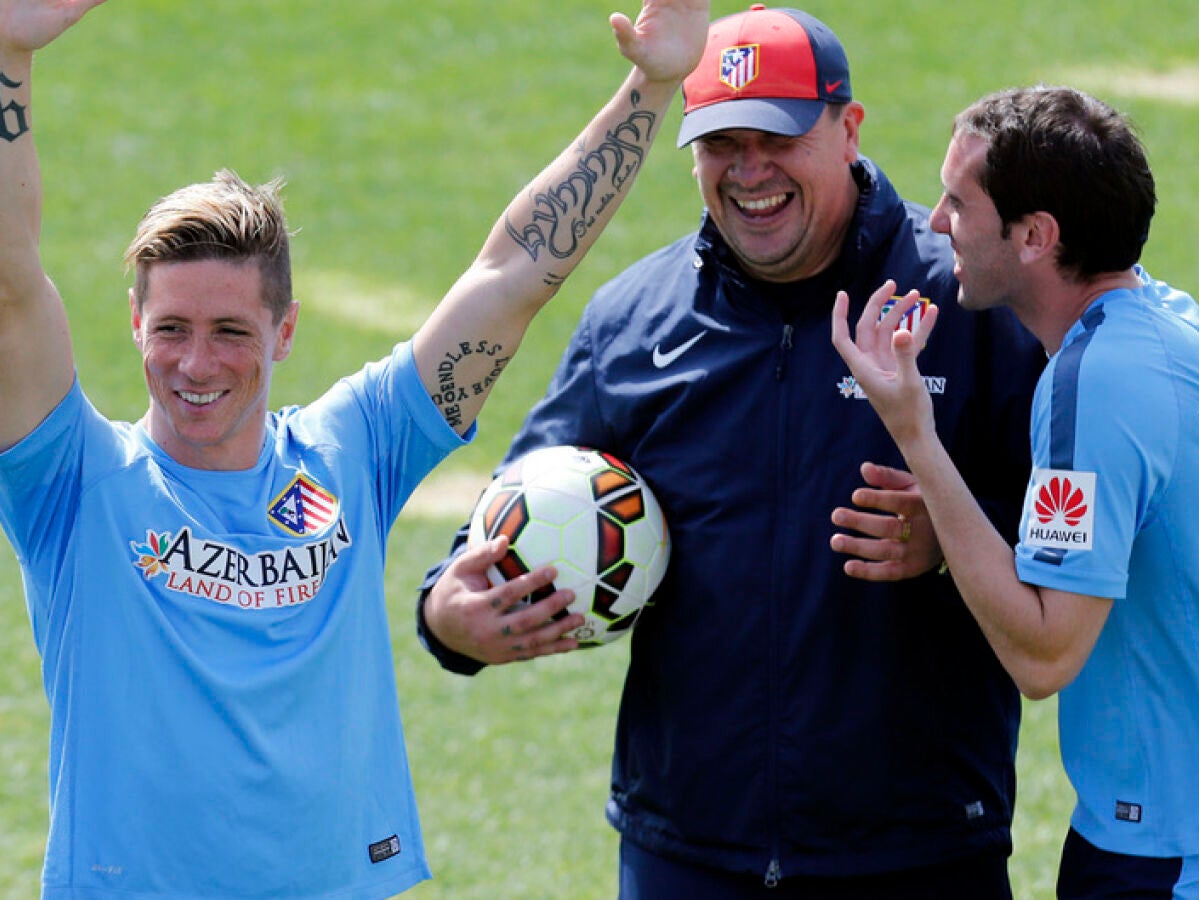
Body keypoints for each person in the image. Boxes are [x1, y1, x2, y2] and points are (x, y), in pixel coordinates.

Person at [0, 0, 710, 896]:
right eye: (171, 329)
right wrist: (3, 56)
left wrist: (652, 85)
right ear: (134, 324)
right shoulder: (71, 480)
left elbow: (513, 275)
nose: (197, 364)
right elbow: (3, 293)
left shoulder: (353, 449)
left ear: (284, 332)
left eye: (231, 331)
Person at [414, 5, 1048, 897]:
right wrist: (448, 616)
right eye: (719, 144)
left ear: (848, 129)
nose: (749, 172)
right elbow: (513, 512)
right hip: (688, 853)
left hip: (918, 851)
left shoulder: (965, 302)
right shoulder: (633, 323)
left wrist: (951, 538)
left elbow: (1077, 553)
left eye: (776, 139)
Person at [832, 85, 1199, 898]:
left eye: (959, 203)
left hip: (1181, 850)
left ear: (1035, 235)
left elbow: (1043, 653)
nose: (936, 223)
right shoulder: (1173, 319)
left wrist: (913, 433)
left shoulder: (1094, 383)